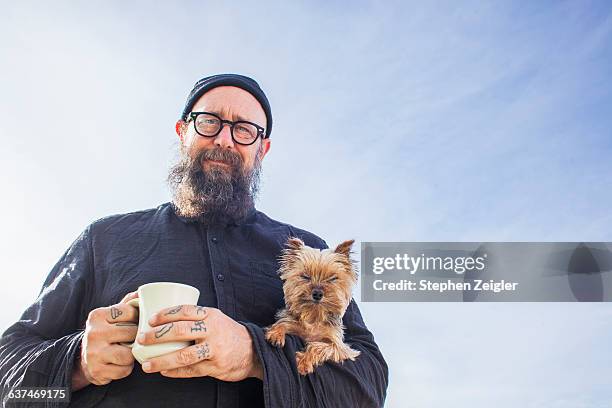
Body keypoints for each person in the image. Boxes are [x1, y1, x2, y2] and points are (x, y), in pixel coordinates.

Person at [0, 74, 388, 407]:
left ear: (262, 149)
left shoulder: (307, 250)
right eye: (208, 122)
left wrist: (254, 355)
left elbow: (368, 389)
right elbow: (8, 380)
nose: (224, 139)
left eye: (244, 129)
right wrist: (77, 363)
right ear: (183, 131)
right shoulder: (103, 239)